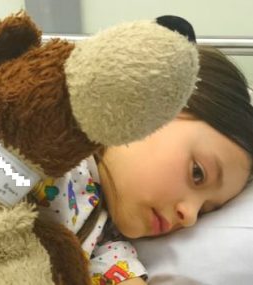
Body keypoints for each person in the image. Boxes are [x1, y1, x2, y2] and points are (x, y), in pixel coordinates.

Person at [32, 44, 253, 285]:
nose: (189, 217)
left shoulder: (101, 238)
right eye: (197, 173)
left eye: (205, 210)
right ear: (149, 104)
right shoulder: (34, 112)